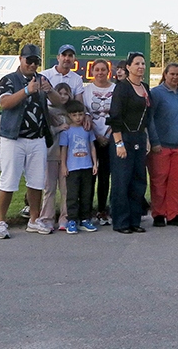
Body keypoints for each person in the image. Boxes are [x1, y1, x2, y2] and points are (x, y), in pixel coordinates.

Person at [0, 44, 60, 239]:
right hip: (14, 138)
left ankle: (34, 219)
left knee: (36, 182)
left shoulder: (42, 79)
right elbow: (5, 103)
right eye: (29, 60)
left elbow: (58, 102)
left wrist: (49, 91)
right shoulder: (9, 80)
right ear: (20, 59)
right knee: (8, 181)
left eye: (36, 61)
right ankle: (0, 222)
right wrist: (27, 90)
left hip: (37, 138)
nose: (32, 65)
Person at [108, 51, 153, 234]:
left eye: (143, 63)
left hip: (139, 138)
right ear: (128, 67)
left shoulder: (145, 87)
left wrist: (146, 138)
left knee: (138, 181)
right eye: (136, 64)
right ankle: (121, 222)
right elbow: (115, 116)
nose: (140, 67)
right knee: (122, 181)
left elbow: (147, 117)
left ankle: (135, 220)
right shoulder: (122, 88)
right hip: (123, 138)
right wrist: (119, 143)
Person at [147, 63, 178, 228]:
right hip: (161, 146)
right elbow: (150, 119)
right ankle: (159, 214)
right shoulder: (156, 93)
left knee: (176, 183)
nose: (175, 77)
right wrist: (154, 142)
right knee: (159, 182)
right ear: (165, 74)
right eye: (172, 74)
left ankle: (173, 214)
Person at [83, 59, 115, 226]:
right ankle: (87, 211)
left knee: (104, 176)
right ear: (92, 71)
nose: (100, 72)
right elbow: (85, 115)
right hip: (92, 138)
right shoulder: (87, 91)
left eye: (103, 69)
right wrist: (97, 135)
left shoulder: (115, 89)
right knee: (90, 176)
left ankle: (102, 210)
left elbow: (117, 115)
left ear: (108, 72)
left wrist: (107, 135)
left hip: (110, 138)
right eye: (97, 69)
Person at [60, 100, 99, 234]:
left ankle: (85, 219)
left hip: (87, 166)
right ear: (69, 116)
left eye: (80, 114)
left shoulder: (87, 130)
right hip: (72, 168)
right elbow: (64, 149)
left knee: (86, 194)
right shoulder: (67, 131)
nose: (78, 118)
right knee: (72, 195)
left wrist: (95, 163)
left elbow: (92, 147)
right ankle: (71, 220)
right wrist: (64, 165)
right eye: (75, 115)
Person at [39, 82, 72, 233]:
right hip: (51, 154)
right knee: (49, 188)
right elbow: (45, 131)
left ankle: (65, 218)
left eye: (66, 94)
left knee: (66, 189)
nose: (63, 97)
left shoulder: (72, 112)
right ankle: (47, 218)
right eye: (60, 93)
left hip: (68, 157)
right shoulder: (48, 111)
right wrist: (59, 128)